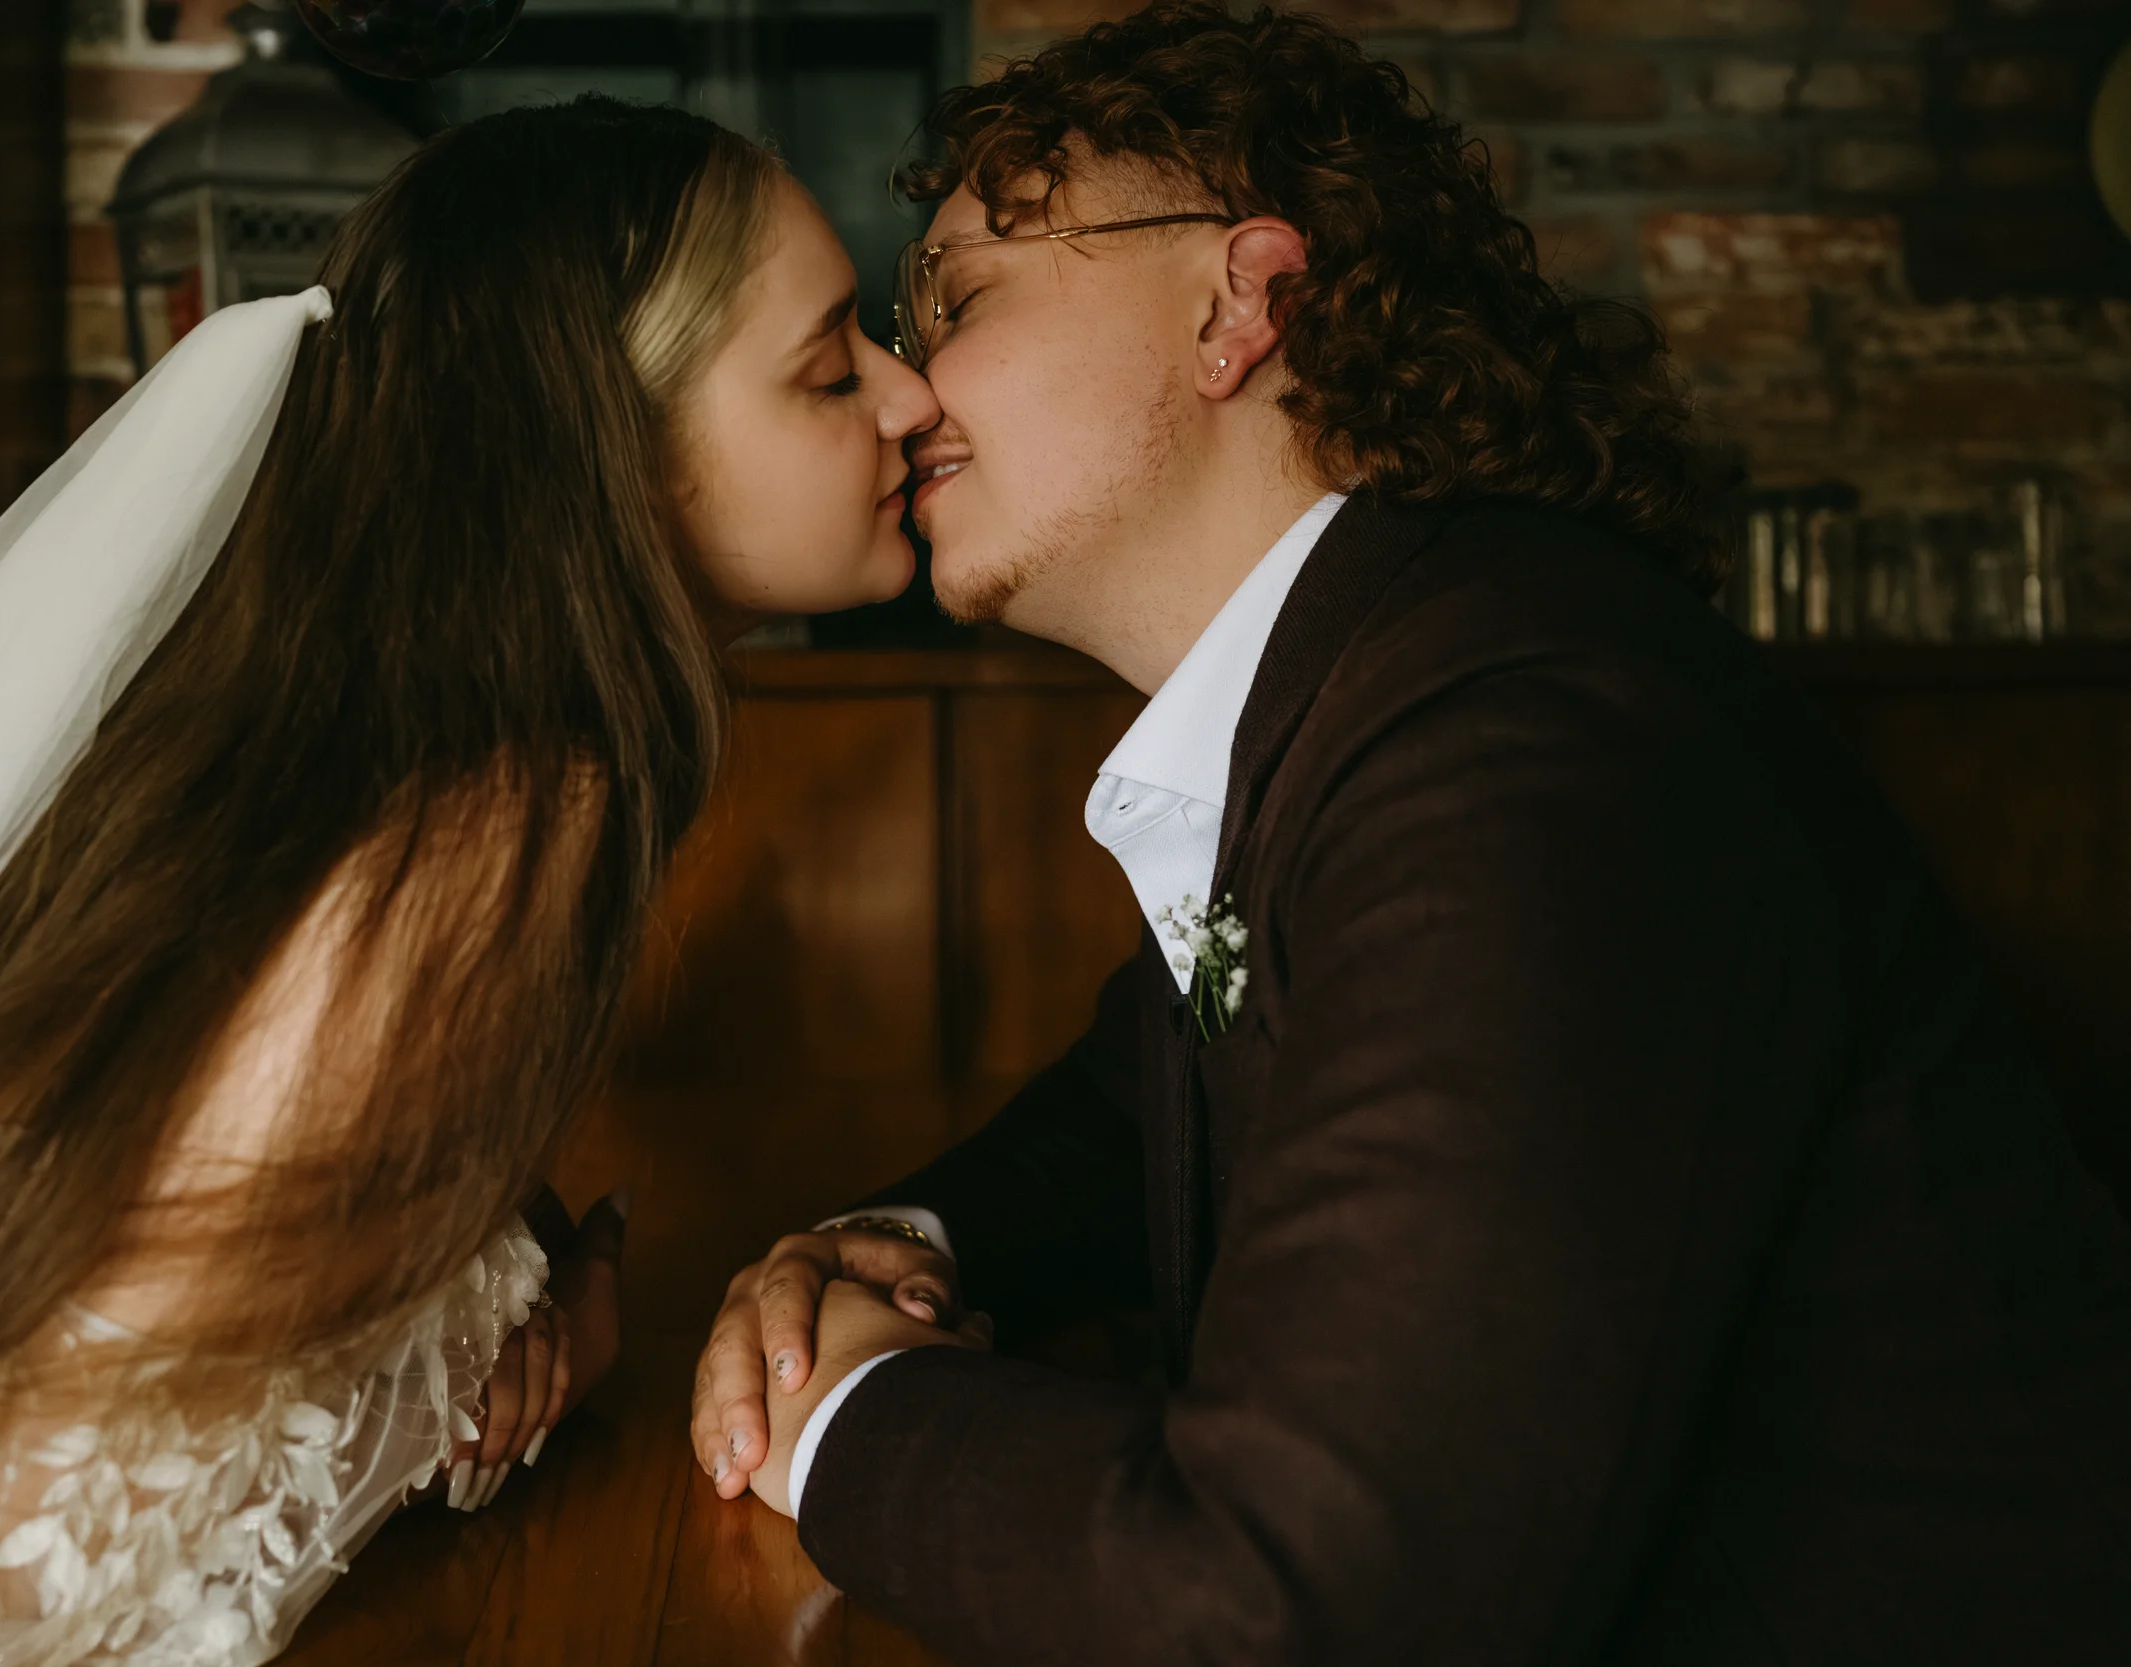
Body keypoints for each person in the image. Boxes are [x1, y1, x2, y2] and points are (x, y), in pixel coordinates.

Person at [693, 6, 2131, 1662]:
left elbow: (1308, 1601)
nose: (901, 387)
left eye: (953, 298)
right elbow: (1138, 1084)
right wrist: (890, 1243)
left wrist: (836, 1407)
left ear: (1241, 298)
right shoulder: (1392, 673)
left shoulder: (1531, 750)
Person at [0, 97, 937, 1667]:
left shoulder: (406, 765)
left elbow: (249, 1277)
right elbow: (47, 1479)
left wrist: (519, 1303)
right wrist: (531, 1335)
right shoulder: (517, 819)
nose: (910, 396)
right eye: (826, 366)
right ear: (615, 450)